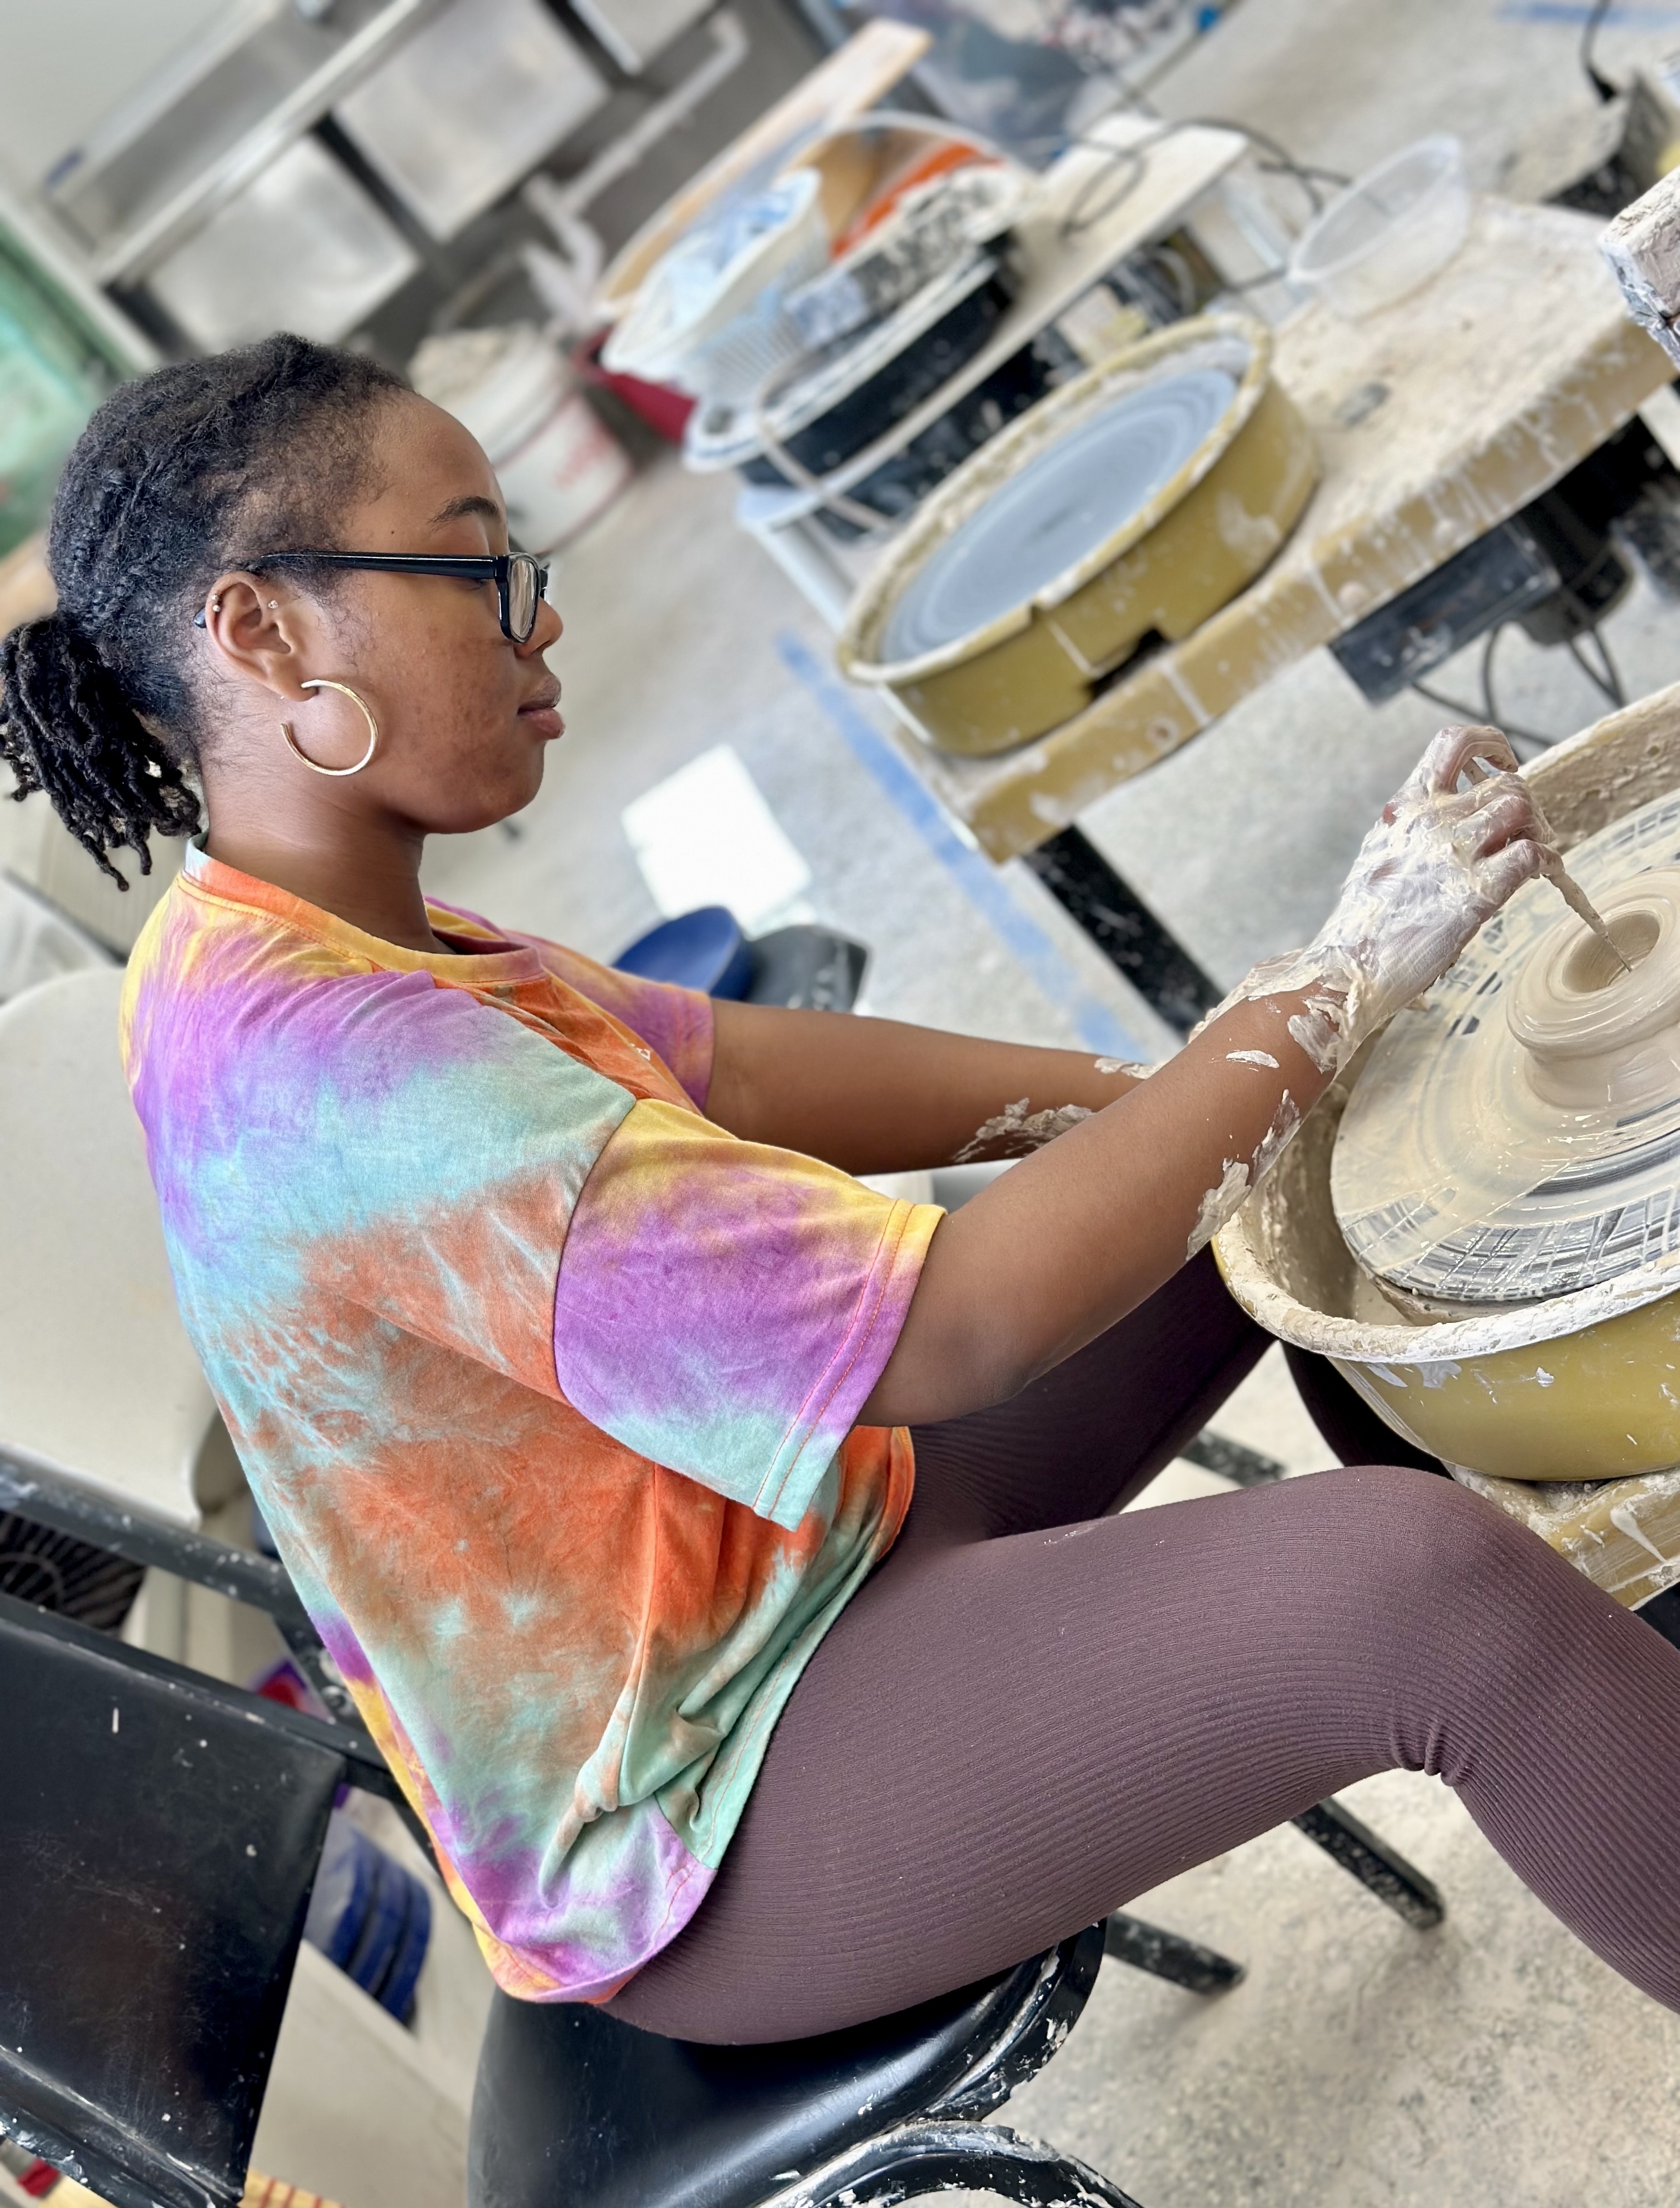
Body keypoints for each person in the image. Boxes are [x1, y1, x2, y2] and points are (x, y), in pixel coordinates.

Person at [4, 334, 1678, 2047]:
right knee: (1422, 1595)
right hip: (711, 1803)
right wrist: (1304, 1016)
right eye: (476, 560)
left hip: (789, 1530)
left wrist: (1223, 1082)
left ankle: (1628, 1680)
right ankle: (1573, 1688)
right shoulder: (334, 1080)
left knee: (1269, 1172)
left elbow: (737, 1063)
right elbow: (955, 1335)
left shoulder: (296, 911)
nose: (540, 615)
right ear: (263, 631)